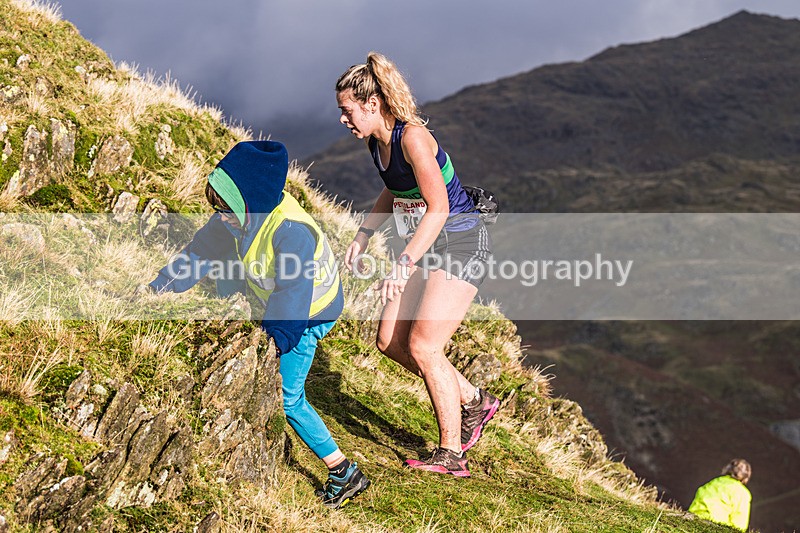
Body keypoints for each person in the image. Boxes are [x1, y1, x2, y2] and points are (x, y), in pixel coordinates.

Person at [148, 140, 370, 508]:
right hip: (284, 300)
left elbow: (293, 299)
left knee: (288, 396)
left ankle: (343, 472)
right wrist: (161, 287)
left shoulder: (290, 233)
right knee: (225, 268)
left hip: (310, 314)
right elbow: (201, 251)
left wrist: (271, 346)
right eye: (216, 207)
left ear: (248, 201)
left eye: (225, 208)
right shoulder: (241, 216)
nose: (219, 216)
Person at [335, 52, 500, 477]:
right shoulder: (378, 141)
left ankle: (451, 455)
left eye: (347, 110)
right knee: (390, 341)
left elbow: (439, 207)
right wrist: (363, 234)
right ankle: (475, 401)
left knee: (425, 346)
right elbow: (394, 190)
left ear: (372, 105)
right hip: (427, 247)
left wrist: (404, 264)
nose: (344, 120)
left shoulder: (413, 138)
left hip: (461, 244)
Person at [688, 458, 752, 531]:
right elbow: (739, 525)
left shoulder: (711, 483)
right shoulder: (742, 493)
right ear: (746, 477)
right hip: (716, 528)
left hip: (692, 522)